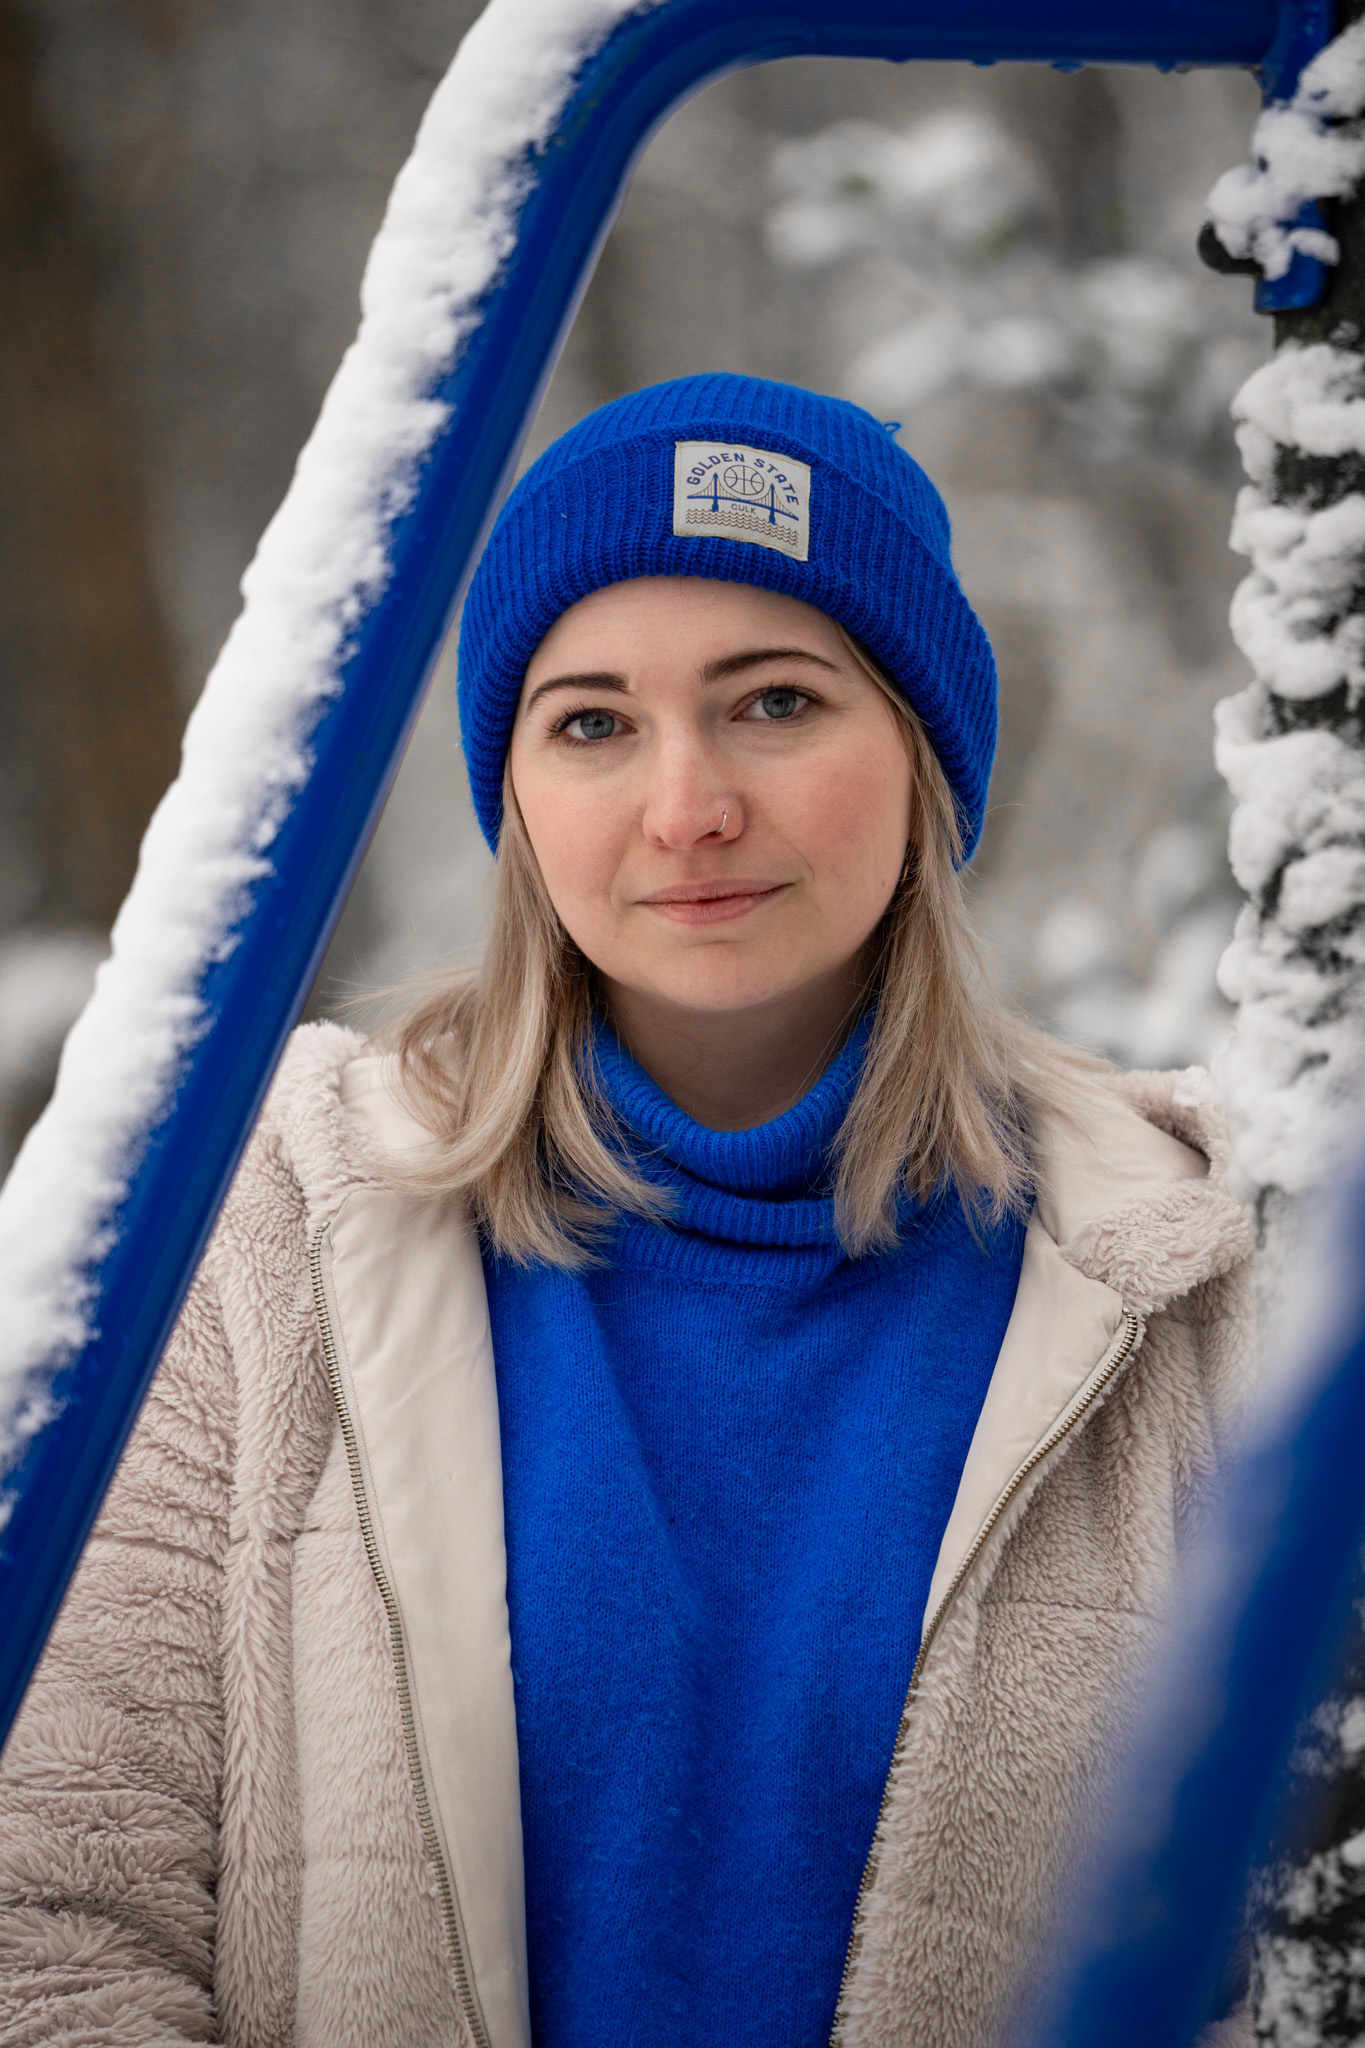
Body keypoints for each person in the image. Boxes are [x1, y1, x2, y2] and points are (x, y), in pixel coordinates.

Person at [0, 375, 1254, 2048]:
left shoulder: (1185, 1278)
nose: (685, 809)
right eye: (590, 722)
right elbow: (52, 1908)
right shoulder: (270, 1226)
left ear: (922, 753)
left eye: (777, 701)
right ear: (513, 794)